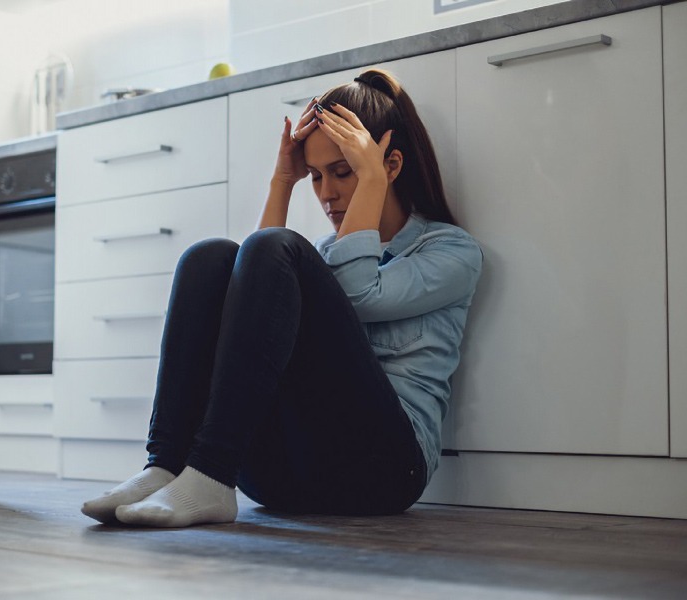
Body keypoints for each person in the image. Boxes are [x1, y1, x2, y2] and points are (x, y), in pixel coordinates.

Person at [81, 68, 483, 528]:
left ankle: (209, 472)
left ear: (390, 166)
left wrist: (371, 182)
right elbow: (246, 284)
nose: (326, 194)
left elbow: (359, 295)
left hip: (382, 472)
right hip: (282, 475)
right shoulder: (325, 255)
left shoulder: (451, 251)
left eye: (343, 172)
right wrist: (282, 182)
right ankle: (169, 465)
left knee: (276, 248)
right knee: (210, 258)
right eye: (314, 177)